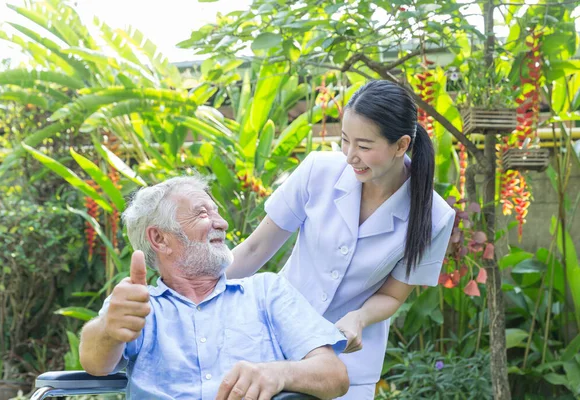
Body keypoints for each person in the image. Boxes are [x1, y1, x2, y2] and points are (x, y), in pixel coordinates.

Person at [227, 80, 456, 399]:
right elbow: (254, 249)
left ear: (401, 145)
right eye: (345, 141)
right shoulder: (318, 171)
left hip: (349, 366)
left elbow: (393, 295)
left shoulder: (434, 217)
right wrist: (191, 291)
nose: (350, 156)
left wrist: (359, 318)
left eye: (364, 146)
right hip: (273, 345)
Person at [79, 177, 349, 400]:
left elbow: (334, 375)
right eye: (203, 213)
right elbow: (94, 362)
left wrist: (279, 374)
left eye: (216, 212)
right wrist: (108, 332)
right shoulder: (136, 305)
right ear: (160, 239)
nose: (222, 223)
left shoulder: (267, 292)